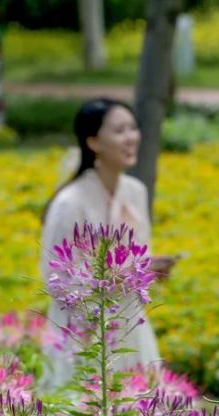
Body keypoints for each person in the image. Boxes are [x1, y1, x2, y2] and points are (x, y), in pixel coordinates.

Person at [40, 98, 175, 390]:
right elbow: (55, 282)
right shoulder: (69, 203)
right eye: (119, 130)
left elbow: (139, 258)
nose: (131, 138)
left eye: (133, 128)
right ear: (92, 141)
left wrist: (151, 268)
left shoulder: (135, 192)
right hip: (81, 333)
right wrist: (118, 276)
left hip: (131, 326)